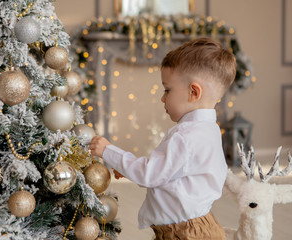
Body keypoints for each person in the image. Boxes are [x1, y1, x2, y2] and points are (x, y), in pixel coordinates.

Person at [89, 37, 236, 240]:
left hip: (185, 233)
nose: (163, 97)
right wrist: (126, 168)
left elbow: (149, 174)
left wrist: (108, 151)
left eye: (167, 89)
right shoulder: (208, 129)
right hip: (198, 225)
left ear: (193, 92)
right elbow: (174, 174)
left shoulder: (185, 137)